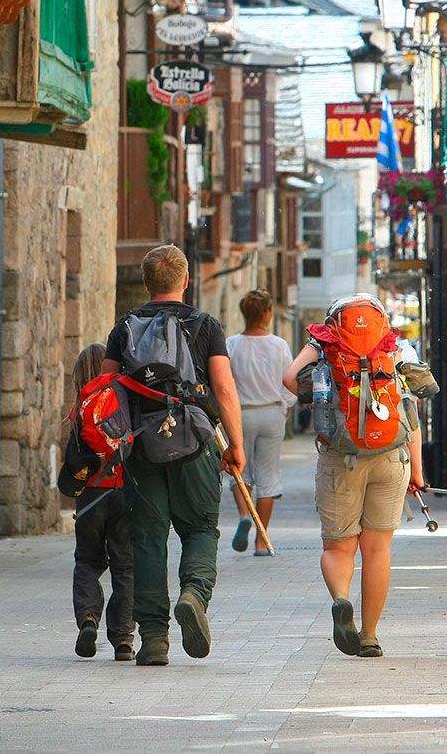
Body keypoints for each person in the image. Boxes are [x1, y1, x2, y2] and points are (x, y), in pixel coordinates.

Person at [100, 244, 246, 666]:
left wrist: (110, 446)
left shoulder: (124, 327)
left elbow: (106, 392)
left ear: (146, 283)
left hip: (142, 448)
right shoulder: (206, 327)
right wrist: (235, 444)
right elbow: (223, 388)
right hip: (194, 442)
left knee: (147, 540)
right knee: (200, 529)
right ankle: (193, 594)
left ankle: (153, 639)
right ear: (185, 281)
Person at [282, 293, 425, 660]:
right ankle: (370, 636)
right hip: (391, 455)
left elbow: (288, 379)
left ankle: (341, 599)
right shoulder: (395, 344)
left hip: (340, 454)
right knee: (378, 550)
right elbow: (410, 408)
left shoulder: (324, 342)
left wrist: (323, 392)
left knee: (338, 547)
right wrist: (418, 472)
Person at [61, 343, 134, 662]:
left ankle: (88, 619)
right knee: (125, 565)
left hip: (91, 496)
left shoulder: (80, 408)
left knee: (88, 561)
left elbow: (71, 466)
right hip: (125, 493)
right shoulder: (124, 399)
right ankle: (122, 639)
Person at [225, 289, 296, 556]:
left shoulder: (232, 345)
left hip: (241, 414)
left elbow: (224, 383)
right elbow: (289, 382)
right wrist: (285, 406)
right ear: (267, 313)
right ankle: (261, 541)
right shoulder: (279, 345)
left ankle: (244, 514)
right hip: (271, 414)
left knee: (239, 470)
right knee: (268, 477)